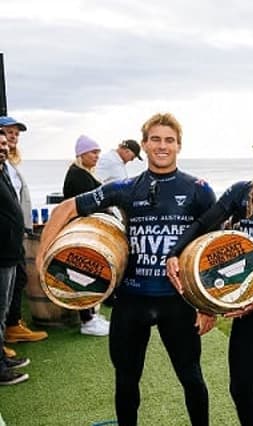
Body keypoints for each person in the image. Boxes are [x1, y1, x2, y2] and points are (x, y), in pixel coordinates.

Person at [36, 113, 215, 425]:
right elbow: (67, 208)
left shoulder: (199, 189)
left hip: (177, 301)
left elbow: (210, 247)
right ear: (144, 144)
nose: (162, 146)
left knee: (192, 377)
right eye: (155, 139)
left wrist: (208, 304)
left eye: (169, 140)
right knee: (126, 381)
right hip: (131, 301)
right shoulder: (124, 187)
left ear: (179, 146)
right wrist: (42, 258)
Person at [166, 126, 253, 426]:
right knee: (241, 387)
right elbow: (205, 223)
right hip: (247, 302)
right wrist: (175, 253)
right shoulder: (240, 192)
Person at [0, 116, 48, 351]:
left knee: (17, 280)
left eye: (16, 133)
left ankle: (11, 326)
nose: (12, 136)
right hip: (4, 238)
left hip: (14, 235)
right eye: (7, 132)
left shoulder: (10, 164)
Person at [62, 135, 109, 336]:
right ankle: (87, 321)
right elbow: (86, 206)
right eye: (93, 152)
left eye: (98, 152)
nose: (97, 156)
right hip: (82, 232)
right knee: (83, 274)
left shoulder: (82, 173)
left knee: (90, 273)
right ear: (82, 154)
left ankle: (91, 315)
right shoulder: (77, 176)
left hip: (87, 231)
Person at [0, 128, 31, 385]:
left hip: (10, 250)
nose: (4, 147)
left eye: (4, 143)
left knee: (3, 309)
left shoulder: (3, 171)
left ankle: (1, 355)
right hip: (1, 252)